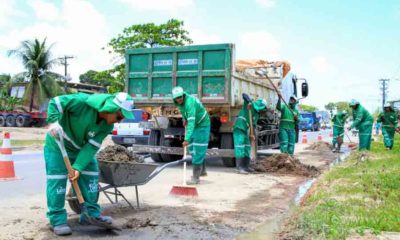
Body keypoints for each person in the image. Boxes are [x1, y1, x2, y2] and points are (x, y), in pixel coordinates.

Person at [45, 92, 135, 236]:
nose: (119, 120)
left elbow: (91, 147)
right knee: (57, 182)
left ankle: (91, 214)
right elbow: (55, 102)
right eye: (119, 116)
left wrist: (78, 167)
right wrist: (53, 122)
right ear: (110, 108)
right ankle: (57, 220)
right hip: (58, 146)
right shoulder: (81, 101)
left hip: (81, 149)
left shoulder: (107, 127)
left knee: (92, 175)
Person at [172, 87, 210, 185]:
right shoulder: (180, 103)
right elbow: (184, 112)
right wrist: (184, 118)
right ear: (174, 98)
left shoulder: (190, 103)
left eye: (180, 97)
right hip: (196, 124)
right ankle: (202, 171)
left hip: (202, 124)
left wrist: (186, 139)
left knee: (198, 149)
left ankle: (195, 178)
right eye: (177, 98)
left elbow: (192, 122)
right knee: (192, 149)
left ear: (183, 95)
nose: (179, 99)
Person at [233, 94, 268, 174]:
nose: (263, 110)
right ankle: (240, 168)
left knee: (247, 147)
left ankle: (246, 166)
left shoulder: (257, 114)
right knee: (240, 147)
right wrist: (248, 101)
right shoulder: (250, 105)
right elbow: (244, 95)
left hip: (247, 131)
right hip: (240, 127)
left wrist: (252, 135)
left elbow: (254, 125)